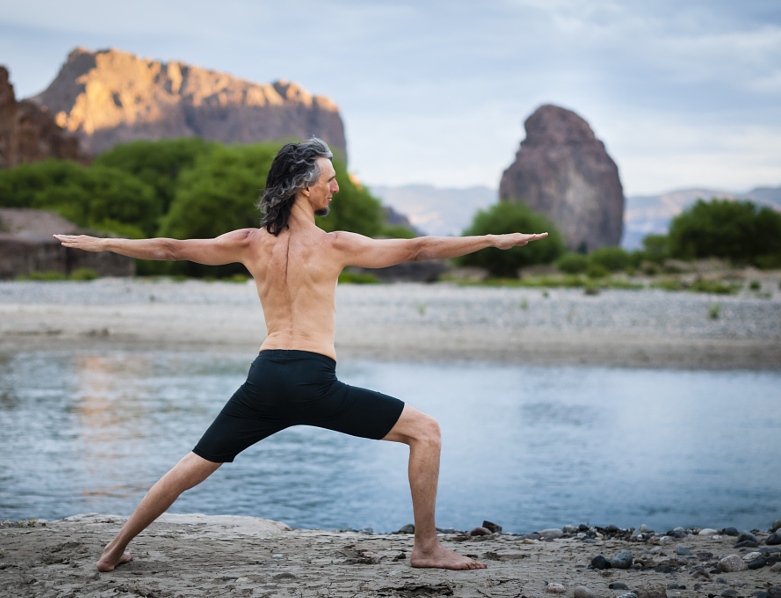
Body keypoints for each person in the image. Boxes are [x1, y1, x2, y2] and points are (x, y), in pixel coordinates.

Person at [54, 137, 547, 572]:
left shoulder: (249, 242)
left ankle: (114, 548)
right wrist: (490, 240)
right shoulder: (334, 245)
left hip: (265, 378)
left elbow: (172, 248)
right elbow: (418, 249)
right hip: (313, 380)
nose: (336, 188)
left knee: (192, 464)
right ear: (304, 188)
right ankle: (427, 548)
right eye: (330, 180)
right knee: (427, 432)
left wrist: (105, 244)